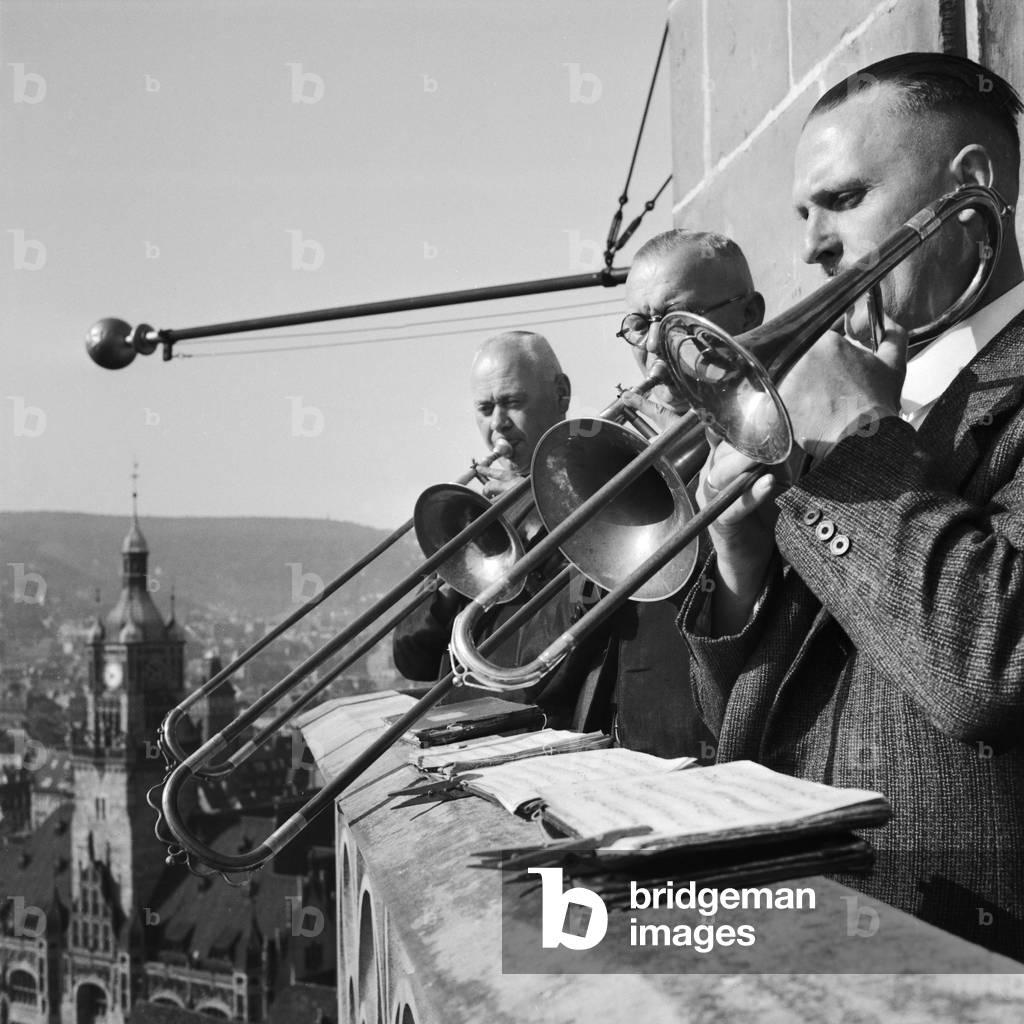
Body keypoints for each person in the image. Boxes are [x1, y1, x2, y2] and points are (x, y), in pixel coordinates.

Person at [674, 53, 1024, 958]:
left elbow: (987, 671)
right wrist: (743, 576)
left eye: (844, 199)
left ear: (973, 187)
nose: (810, 246)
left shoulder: (870, 417)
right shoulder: (861, 398)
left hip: (960, 945)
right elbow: (739, 723)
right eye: (801, 212)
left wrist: (864, 440)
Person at [574, 230, 765, 757]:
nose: (654, 346)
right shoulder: (629, 446)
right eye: (638, 325)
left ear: (749, 316)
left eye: (679, 321)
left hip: (738, 763)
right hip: (629, 755)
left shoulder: (790, 442)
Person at [392, 330, 594, 725]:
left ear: (561, 395)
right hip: (462, 733)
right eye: (485, 408)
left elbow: (548, 666)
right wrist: (458, 570)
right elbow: (411, 656)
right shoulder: (478, 508)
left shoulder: (596, 491)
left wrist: (537, 510)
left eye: (513, 402)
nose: (498, 424)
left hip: (540, 735)